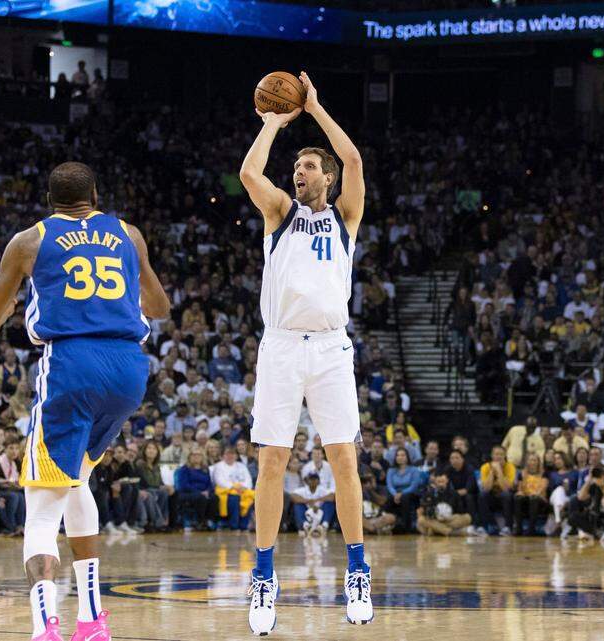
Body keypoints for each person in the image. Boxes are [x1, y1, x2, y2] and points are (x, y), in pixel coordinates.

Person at [0, 161, 169, 641]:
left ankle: (45, 626)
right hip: (127, 369)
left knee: (41, 506)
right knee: (77, 480)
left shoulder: (29, 241)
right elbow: (160, 307)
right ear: (96, 195)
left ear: (48, 200)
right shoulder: (129, 233)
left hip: (72, 365)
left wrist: (1, 311)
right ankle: (92, 620)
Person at [240, 71, 372, 632]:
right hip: (282, 347)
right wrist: (272, 124)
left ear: (329, 176)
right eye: (296, 167)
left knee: (344, 458)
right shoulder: (279, 215)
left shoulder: (344, 218)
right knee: (272, 461)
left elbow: (356, 159)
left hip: (330, 350)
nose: (299, 172)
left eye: (309, 167)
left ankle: (358, 571)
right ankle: (264, 578)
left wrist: (314, 109)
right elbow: (249, 172)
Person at [416, 469, 472, 536]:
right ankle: (450, 532)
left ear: (447, 481)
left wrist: (448, 516)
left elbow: (460, 511)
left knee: (468, 517)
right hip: (435, 519)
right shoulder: (429, 494)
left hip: (450, 519)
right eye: (439, 481)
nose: (441, 484)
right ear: (435, 482)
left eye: (442, 481)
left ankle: (436, 530)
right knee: (421, 520)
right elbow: (424, 511)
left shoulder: (454, 493)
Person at [210, 446, 255, 530]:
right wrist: (234, 487)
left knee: (250, 498)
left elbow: (248, 479)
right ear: (223, 455)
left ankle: (244, 525)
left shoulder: (242, 466)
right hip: (226, 491)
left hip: (243, 490)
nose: (230, 456)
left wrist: (244, 487)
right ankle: (234, 525)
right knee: (234, 498)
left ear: (236, 456)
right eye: (227, 453)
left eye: (232, 454)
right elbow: (219, 481)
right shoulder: (218, 466)